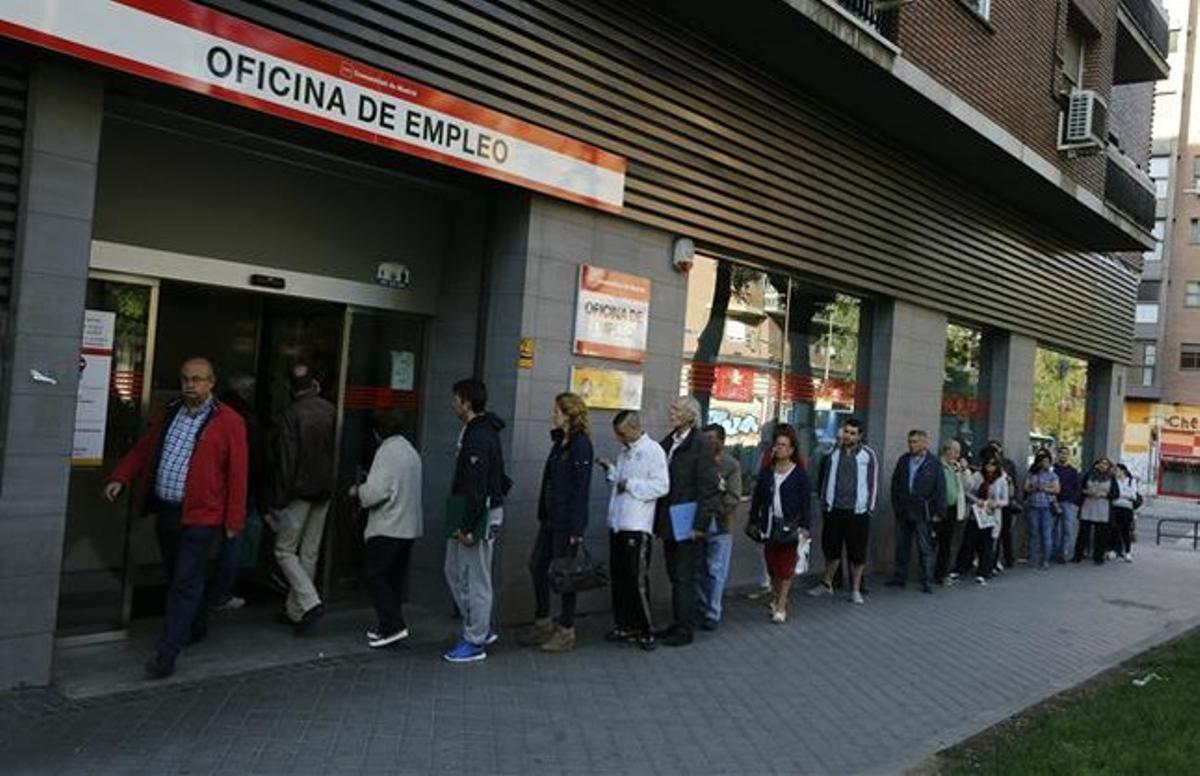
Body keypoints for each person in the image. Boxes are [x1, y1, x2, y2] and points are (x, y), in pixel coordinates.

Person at [104, 357, 247, 679]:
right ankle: (194, 624)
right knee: (179, 575)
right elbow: (144, 450)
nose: (189, 385)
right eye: (185, 379)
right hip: (168, 512)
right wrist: (120, 477)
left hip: (203, 516)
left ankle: (167, 652)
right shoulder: (170, 412)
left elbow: (238, 475)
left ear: (211, 383)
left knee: (185, 579)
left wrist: (233, 522)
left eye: (197, 379)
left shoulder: (229, 421)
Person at [520, 393, 594, 653]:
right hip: (551, 518)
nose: (553, 414)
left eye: (557, 411)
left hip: (566, 522)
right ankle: (543, 621)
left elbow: (581, 489)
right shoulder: (560, 443)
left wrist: (578, 528)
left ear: (569, 414)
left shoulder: (580, 445)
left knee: (566, 575)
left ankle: (566, 630)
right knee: (537, 566)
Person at [443, 378, 510, 663]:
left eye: (456, 398)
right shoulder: (476, 431)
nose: (452, 403)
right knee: (455, 571)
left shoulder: (479, 436)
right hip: (470, 511)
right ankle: (480, 628)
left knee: (474, 578)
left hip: (478, 514)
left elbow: (477, 485)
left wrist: (470, 526)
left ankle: (475, 641)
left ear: (467, 402)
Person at [269, 364, 336, 634]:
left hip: (298, 493)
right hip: (325, 490)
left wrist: (278, 500)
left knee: (284, 551)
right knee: (309, 552)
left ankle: (309, 603)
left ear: (291, 389)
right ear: (314, 384)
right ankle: (296, 611)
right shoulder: (331, 410)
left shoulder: (291, 414)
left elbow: (286, 461)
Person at [351, 409, 423, 649]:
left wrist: (357, 491)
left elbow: (376, 492)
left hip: (388, 526)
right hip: (408, 526)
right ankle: (388, 627)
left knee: (375, 576)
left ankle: (393, 626)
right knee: (394, 579)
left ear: (377, 432)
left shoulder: (387, 452)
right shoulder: (410, 450)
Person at [654, 396, 721, 647]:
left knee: (684, 576)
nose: (671, 412)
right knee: (675, 573)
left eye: (677, 409)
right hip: (669, 520)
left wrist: (699, 525)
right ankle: (679, 622)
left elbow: (709, 487)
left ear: (690, 416)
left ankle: (685, 629)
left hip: (687, 522)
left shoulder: (700, 444)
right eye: (672, 407)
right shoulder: (670, 441)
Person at [599, 410, 669, 651]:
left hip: (637, 525)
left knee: (636, 578)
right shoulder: (624, 452)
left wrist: (630, 484)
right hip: (619, 522)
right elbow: (620, 481)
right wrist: (611, 471)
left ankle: (645, 628)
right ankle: (624, 624)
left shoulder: (652, 451)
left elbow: (662, 486)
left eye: (622, 433)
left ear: (634, 428)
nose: (619, 437)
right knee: (619, 577)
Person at [207, 374, 267, 612]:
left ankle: (203, 592)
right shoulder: (246, 418)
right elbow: (256, 460)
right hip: (239, 488)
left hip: (212, 487)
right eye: (251, 388)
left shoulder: (211, 412)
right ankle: (221, 593)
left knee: (200, 540)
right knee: (233, 541)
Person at [808, 417, 878, 605]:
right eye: (846, 432)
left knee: (857, 553)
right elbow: (822, 473)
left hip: (857, 511)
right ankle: (827, 583)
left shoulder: (867, 455)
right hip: (834, 509)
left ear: (860, 436)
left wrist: (868, 507)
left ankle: (855, 589)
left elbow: (873, 482)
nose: (848, 436)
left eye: (852, 433)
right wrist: (825, 503)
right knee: (831, 549)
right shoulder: (832, 452)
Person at [746, 424, 811, 623]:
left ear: (792, 450)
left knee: (786, 565)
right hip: (768, 524)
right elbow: (758, 498)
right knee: (772, 564)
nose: (779, 448)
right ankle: (776, 596)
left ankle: (782, 603)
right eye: (777, 444)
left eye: (784, 445)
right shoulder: (767, 472)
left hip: (789, 526)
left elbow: (805, 502)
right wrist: (753, 519)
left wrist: (805, 526)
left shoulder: (799, 474)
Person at [695, 423, 742, 630]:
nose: (707, 442)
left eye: (712, 438)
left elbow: (733, 496)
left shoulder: (730, 465)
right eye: (705, 438)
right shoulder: (697, 462)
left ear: (721, 441)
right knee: (698, 568)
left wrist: (715, 510)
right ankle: (701, 605)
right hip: (698, 523)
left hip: (720, 525)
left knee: (716, 569)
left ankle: (713, 612)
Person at [887, 429, 945, 593]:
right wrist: (896, 505)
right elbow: (895, 484)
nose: (911, 445)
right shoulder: (904, 460)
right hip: (904, 509)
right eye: (910, 441)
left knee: (925, 547)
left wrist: (939, 512)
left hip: (923, 511)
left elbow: (940, 489)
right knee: (901, 545)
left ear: (924, 443)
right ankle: (900, 577)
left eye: (915, 442)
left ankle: (926, 579)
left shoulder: (933, 463)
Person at [961, 453, 1007, 585]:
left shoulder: (1001, 479)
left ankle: (984, 571)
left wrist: (995, 503)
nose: (989, 467)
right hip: (976, 512)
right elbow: (968, 491)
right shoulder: (978, 476)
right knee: (969, 541)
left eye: (993, 464)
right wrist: (977, 501)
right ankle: (962, 567)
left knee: (987, 544)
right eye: (987, 464)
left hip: (991, 515)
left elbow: (1005, 500)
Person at [934, 439, 968, 585]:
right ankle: (931, 573)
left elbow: (968, 485)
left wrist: (964, 470)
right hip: (940, 508)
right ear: (947, 450)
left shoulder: (956, 467)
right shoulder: (938, 466)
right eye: (955, 451)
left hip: (953, 508)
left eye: (959, 452)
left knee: (946, 543)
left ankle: (942, 573)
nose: (958, 455)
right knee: (934, 542)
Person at [985, 441, 1022, 572]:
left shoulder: (1008, 464)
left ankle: (1007, 559)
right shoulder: (986, 464)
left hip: (1005, 503)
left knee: (1005, 532)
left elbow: (1014, 484)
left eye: (997, 449)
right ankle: (991, 561)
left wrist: (1016, 501)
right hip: (989, 504)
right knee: (991, 534)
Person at [1073, 458, 1118, 565]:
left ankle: (1098, 557)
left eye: (1106, 464)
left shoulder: (1111, 478)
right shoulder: (1088, 475)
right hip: (1088, 506)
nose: (1103, 466)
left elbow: (1116, 494)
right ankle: (1078, 555)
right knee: (1083, 533)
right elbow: (1080, 489)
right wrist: (1087, 492)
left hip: (1103, 508)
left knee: (1101, 535)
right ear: (1096, 465)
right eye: (1101, 463)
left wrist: (1105, 495)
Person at [1023, 450, 1060, 571]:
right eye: (1043, 462)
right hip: (1033, 505)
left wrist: (1044, 488)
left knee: (1046, 533)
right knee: (1034, 533)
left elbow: (1057, 490)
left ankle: (1045, 559)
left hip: (1047, 507)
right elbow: (1026, 487)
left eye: (1047, 462)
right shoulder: (1032, 474)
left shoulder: (1052, 475)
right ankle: (1033, 559)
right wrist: (1034, 487)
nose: (1045, 464)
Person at [1051, 446, 1081, 564]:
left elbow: (1077, 487)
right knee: (1053, 529)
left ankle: (1064, 553)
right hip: (1053, 502)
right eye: (1061, 453)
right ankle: (1053, 553)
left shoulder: (1073, 471)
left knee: (1067, 530)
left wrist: (1074, 501)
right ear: (1057, 454)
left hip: (1068, 503)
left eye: (1065, 453)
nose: (1063, 455)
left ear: (1069, 455)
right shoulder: (1052, 470)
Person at [1111, 463, 1139, 562]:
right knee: (1114, 529)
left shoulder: (1131, 481)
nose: (1115, 472)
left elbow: (1133, 496)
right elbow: (1114, 494)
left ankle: (1127, 552)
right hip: (1115, 507)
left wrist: (1121, 494)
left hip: (1127, 509)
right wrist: (1125, 494)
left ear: (1123, 471)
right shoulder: (1114, 481)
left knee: (1125, 531)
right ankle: (1115, 550)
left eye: (1117, 470)